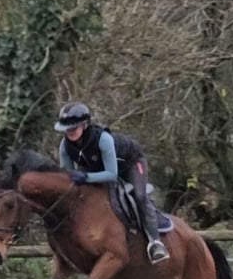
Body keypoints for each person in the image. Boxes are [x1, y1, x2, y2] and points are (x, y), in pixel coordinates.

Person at [54, 101, 170, 264]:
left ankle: (155, 243)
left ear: (85, 125)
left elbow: (111, 175)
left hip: (130, 164)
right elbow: (68, 176)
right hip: (98, 168)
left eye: (73, 128)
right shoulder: (65, 147)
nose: (69, 133)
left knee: (139, 195)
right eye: (66, 130)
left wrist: (85, 177)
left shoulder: (103, 139)